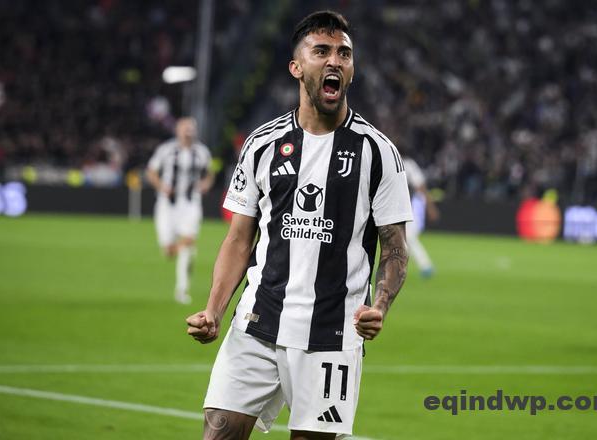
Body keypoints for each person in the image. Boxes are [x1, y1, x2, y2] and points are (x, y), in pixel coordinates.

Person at [186, 11, 412, 439]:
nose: (334, 61)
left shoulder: (377, 152)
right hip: (257, 323)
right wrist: (214, 310)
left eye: (344, 53)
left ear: (352, 69)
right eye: (321, 51)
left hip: (332, 335)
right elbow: (239, 239)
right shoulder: (262, 145)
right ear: (296, 67)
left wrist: (380, 307)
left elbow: (396, 247)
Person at [146, 117, 214, 304]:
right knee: (169, 251)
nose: (188, 132)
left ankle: (182, 290)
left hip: (191, 203)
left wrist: (206, 184)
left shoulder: (201, 152)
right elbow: (151, 172)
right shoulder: (166, 150)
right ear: (177, 131)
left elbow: (209, 173)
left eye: (191, 128)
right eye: (185, 128)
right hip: (167, 205)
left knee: (189, 242)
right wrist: (161, 186)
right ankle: (181, 248)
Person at [403, 156, 440, 277]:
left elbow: (421, 186)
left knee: (408, 236)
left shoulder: (408, 164)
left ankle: (426, 266)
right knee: (401, 239)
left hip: (410, 205)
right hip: (393, 206)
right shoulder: (384, 160)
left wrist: (430, 207)